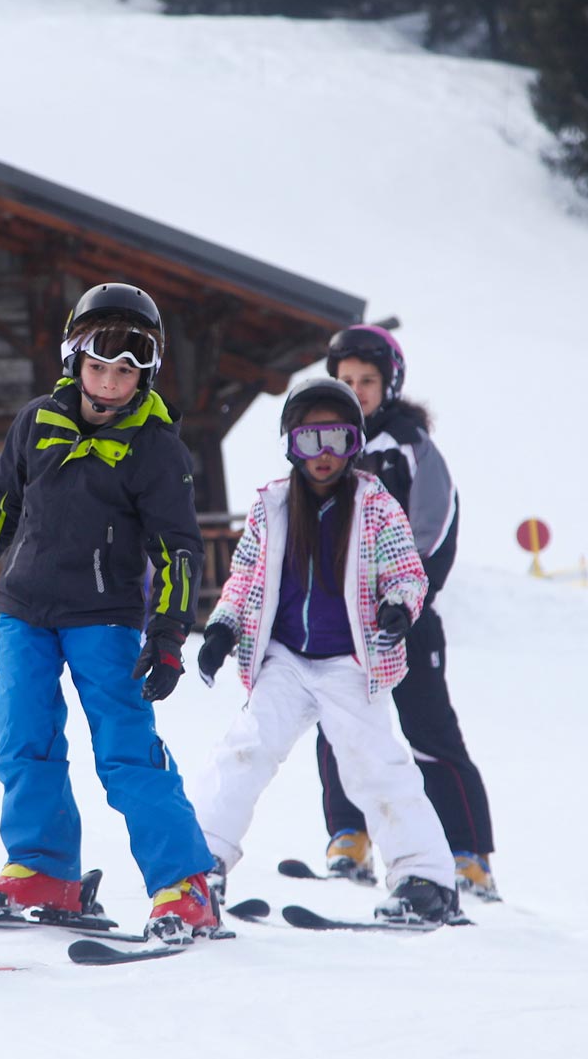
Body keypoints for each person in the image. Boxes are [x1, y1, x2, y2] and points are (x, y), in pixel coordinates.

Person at [0, 284, 222, 945]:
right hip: (26, 612)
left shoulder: (155, 447)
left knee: (126, 750)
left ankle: (185, 885)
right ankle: (43, 868)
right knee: (23, 736)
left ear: (146, 373)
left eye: (126, 370)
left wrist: (168, 634)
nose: (110, 382)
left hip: (105, 619)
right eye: (97, 366)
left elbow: (177, 549)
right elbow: (0, 504)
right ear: (74, 361)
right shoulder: (36, 422)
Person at [187, 377, 462, 926]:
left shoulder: (375, 505)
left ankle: (425, 878)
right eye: (309, 441)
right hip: (285, 659)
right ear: (290, 445)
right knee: (244, 751)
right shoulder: (271, 506)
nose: (323, 455)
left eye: (337, 439)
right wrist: (222, 629)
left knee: (375, 763)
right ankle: (198, 865)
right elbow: (245, 578)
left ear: (355, 443)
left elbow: (407, 570)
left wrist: (398, 606)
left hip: (349, 662)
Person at [314, 324, 500, 902]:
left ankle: (468, 855)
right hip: (342, 624)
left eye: (367, 380)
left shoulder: (411, 447)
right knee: (340, 730)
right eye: (346, 379)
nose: (356, 390)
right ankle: (349, 838)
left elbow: (435, 527)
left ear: (389, 385)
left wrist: (405, 597)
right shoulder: (324, 444)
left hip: (405, 621)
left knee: (429, 732)